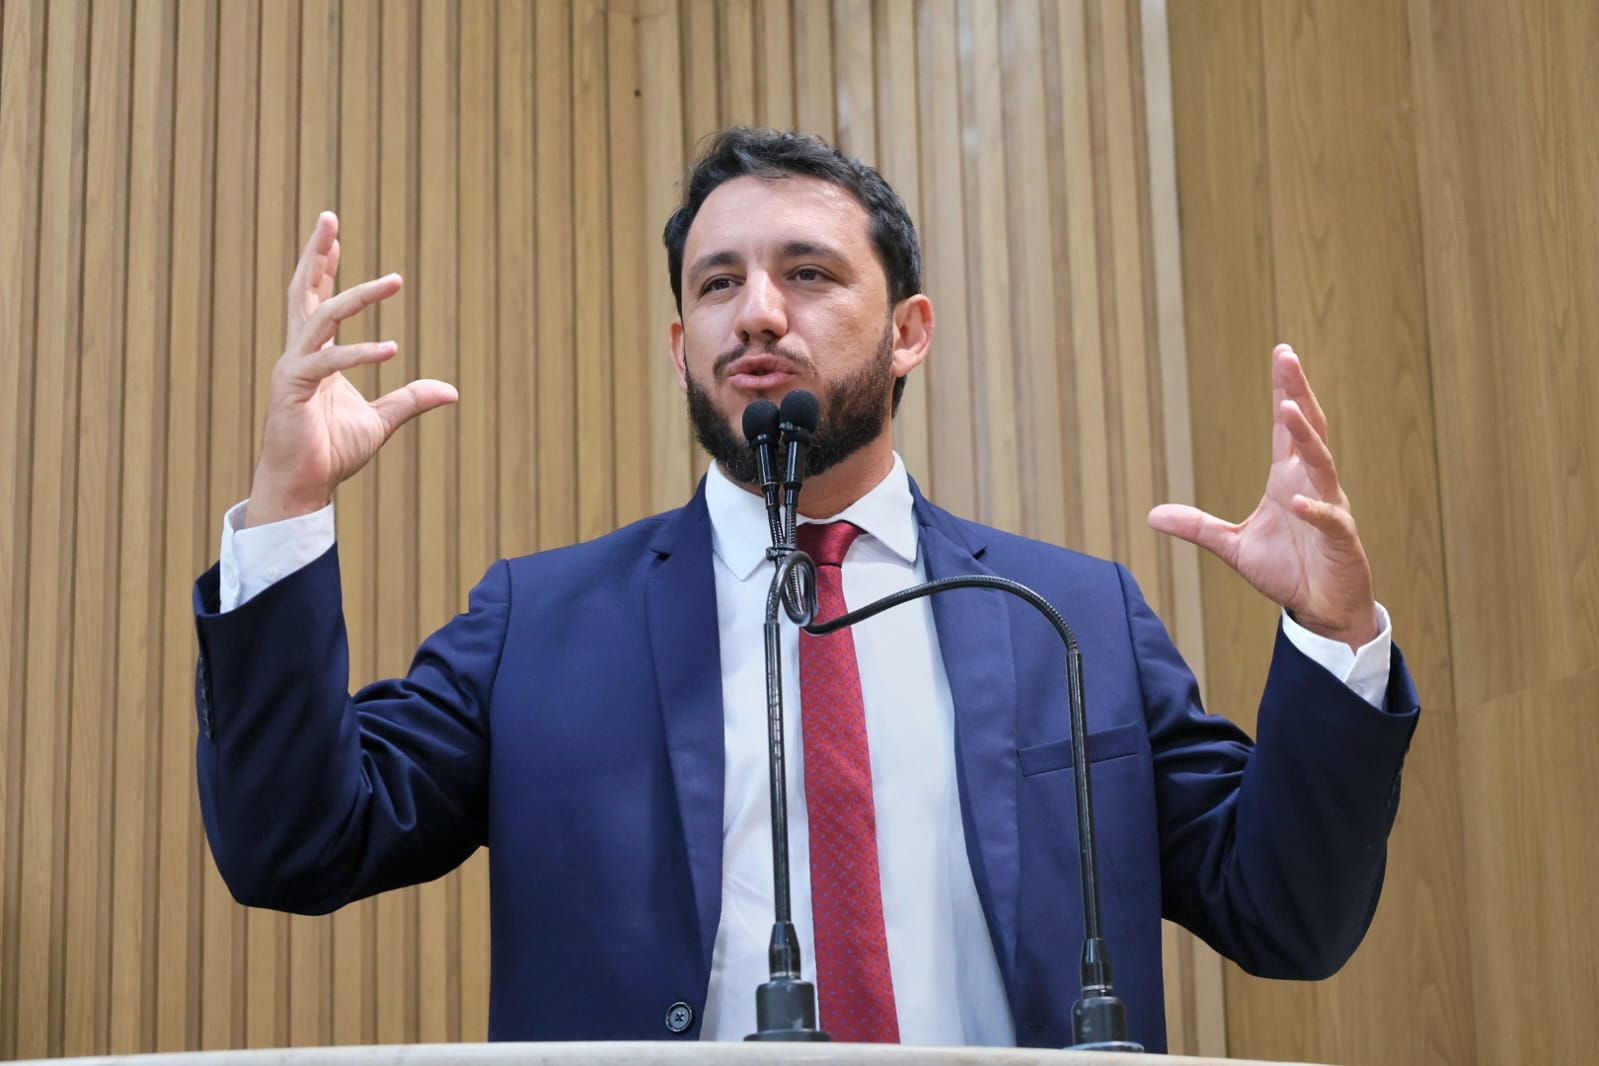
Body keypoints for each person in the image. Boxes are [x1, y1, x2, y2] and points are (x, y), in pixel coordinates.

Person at [194, 128, 1418, 1052]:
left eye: (810, 274)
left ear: (910, 330)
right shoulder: (542, 625)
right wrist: (288, 507)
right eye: (716, 284)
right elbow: (298, 843)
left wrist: (1333, 635)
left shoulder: (1069, 619)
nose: (759, 314)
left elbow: (1287, 916)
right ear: (680, 345)